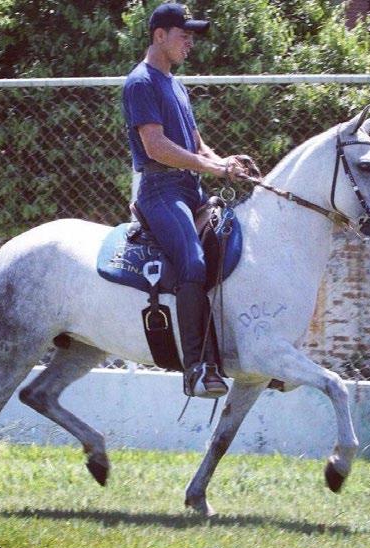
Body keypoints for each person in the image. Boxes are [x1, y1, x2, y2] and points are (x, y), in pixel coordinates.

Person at [122, 2, 256, 399]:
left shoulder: (175, 84)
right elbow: (157, 146)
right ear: (159, 35)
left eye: (192, 37)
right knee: (194, 263)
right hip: (161, 191)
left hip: (190, 188)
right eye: (184, 35)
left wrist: (225, 162)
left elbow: (196, 144)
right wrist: (213, 171)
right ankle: (197, 368)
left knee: (230, 241)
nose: (190, 43)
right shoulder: (141, 82)